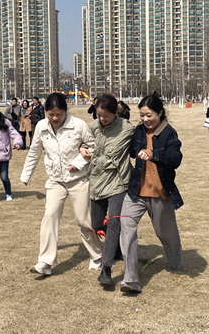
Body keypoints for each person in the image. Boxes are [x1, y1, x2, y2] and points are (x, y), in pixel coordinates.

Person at [20, 92, 102, 276]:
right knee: (49, 215)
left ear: (66, 111)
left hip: (79, 179)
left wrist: (78, 163)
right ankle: (45, 261)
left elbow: (93, 147)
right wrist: (26, 175)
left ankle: (97, 255)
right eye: (51, 114)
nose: (55, 118)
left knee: (83, 219)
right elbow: (34, 151)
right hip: (55, 180)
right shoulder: (41, 126)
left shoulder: (78, 125)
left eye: (59, 114)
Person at [119, 94, 183, 293]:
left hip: (160, 192)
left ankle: (177, 264)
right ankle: (130, 279)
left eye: (149, 115)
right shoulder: (138, 130)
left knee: (165, 233)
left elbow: (175, 158)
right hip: (136, 191)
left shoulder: (169, 133)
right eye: (142, 115)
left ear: (160, 113)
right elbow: (130, 150)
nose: (145, 119)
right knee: (126, 225)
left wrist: (154, 154)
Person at [81, 94, 134, 286]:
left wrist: (93, 156)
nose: (102, 119)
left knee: (113, 222)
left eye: (106, 116)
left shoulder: (126, 128)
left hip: (118, 182)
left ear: (115, 113)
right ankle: (116, 244)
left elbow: (112, 156)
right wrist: (82, 148)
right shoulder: (94, 126)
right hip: (97, 181)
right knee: (96, 223)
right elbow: (86, 142)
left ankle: (106, 269)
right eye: (99, 115)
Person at [0, 105, 23, 201]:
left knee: (4, 177)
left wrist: (17, 143)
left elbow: (14, 134)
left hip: (3, 154)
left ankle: (8, 193)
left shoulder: (5, 122)